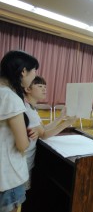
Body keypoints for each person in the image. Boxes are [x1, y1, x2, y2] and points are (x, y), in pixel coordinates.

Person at [0, 50, 39, 212]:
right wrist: (26, 137)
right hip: (9, 177)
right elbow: (22, 145)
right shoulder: (11, 98)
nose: (33, 78)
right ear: (23, 71)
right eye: (33, 73)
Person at [23, 76, 76, 189]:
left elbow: (43, 129)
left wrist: (60, 118)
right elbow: (44, 135)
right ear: (28, 89)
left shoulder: (31, 108)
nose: (44, 89)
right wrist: (66, 123)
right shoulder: (27, 110)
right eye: (40, 86)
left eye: (45, 87)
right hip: (23, 162)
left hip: (26, 161)